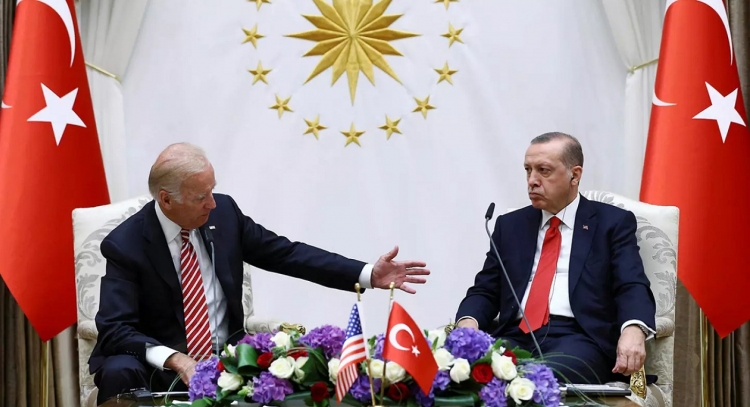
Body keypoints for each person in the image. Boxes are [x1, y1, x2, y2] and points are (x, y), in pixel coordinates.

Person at [89, 143, 430, 404]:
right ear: (166, 200)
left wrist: (368, 273)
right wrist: (177, 360)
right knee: (119, 369)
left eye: (212, 190)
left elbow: (288, 254)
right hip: (160, 369)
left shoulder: (224, 215)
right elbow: (115, 328)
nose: (212, 203)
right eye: (201, 197)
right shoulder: (126, 245)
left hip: (228, 359)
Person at [455, 132, 656, 384]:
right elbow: (485, 290)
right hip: (515, 337)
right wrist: (468, 323)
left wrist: (634, 329)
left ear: (575, 175)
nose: (532, 181)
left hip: (579, 339)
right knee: (462, 372)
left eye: (544, 171)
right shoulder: (510, 226)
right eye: (528, 170)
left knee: (536, 377)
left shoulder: (611, 223)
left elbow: (631, 284)